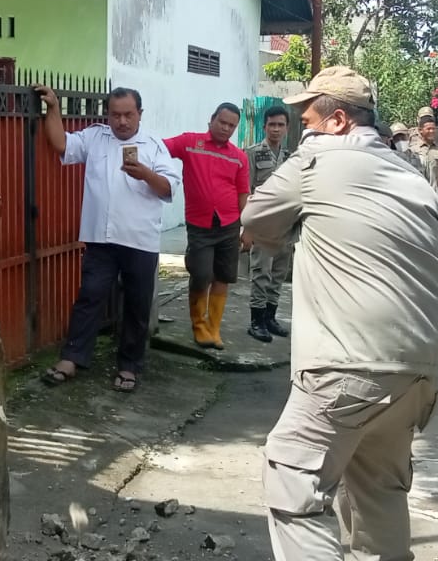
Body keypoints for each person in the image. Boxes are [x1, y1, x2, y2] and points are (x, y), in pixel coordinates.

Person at [245, 66, 438, 561]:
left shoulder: (318, 158)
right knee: (377, 481)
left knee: (292, 472)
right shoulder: (414, 179)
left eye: (308, 120)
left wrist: (292, 219)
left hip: (346, 362)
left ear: (337, 120)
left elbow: (256, 217)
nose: (301, 130)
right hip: (418, 368)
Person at [38, 86, 181, 392]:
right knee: (90, 296)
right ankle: (72, 358)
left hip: (139, 241)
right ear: (108, 115)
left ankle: (129, 366)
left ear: (139, 114)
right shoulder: (95, 137)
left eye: (129, 114)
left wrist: (145, 174)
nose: (122, 121)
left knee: (136, 305)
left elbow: (168, 189)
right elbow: (61, 144)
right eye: (115, 115)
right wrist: (52, 108)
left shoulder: (154, 146)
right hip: (100, 239)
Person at [166, 105, 251, 351]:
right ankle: (199, 326)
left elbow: (243, 193)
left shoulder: (239, 157)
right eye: (222, 122)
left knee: (224, 276)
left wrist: (248, 228)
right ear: (211, 119)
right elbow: (160, 148)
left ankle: (214, 329)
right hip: (199, 224)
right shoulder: (190, 143)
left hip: (229, 224)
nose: (226, 128)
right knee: (201, 274)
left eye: (231, 125)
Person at [246, 105, 294, 343]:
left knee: (278, 273)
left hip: (285, 226)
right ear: (264, 127)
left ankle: (270, 317)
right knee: (261, 273)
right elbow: (246, 191)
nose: (276, 129)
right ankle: (256, 321)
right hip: (263, 226)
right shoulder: (253, 153)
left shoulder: (290, 157)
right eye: (272, 124)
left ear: (287, 128)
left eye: (281, 125)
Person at [411, 115, 438, 191]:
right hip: (420, 190)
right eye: (428, 129)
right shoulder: (413, 149)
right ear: (420, 130)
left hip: (437, 191)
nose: (432, 131)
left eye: (433, 129)